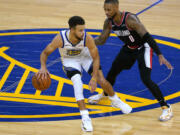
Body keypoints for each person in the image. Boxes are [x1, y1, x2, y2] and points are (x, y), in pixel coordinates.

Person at [36, 16, 132, 132]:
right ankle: (85, 118)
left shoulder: (87, 38)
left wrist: (94, 77)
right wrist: (43, 67)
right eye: (80, 30)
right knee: (77, 82)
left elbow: (96, 58)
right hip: (70, 61)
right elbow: (45, 53)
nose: (83, 32)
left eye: (83, 29)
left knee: (101, 80)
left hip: (86, 57)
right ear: (72, 30)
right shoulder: (60, 39)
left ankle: (116, 100)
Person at [88, 0, 173, 121]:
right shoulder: (109, 22)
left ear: (117, 7)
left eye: (109, 9)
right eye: (105, 9)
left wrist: (160, 54)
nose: (106, 12)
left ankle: (166, 107)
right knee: (113, 70)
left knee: (146, 79)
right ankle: (106, 94)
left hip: (143, 48)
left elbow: (147, 37)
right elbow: (102, 40)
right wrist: (87, 41)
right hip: (129, 49)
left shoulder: (130, 19)